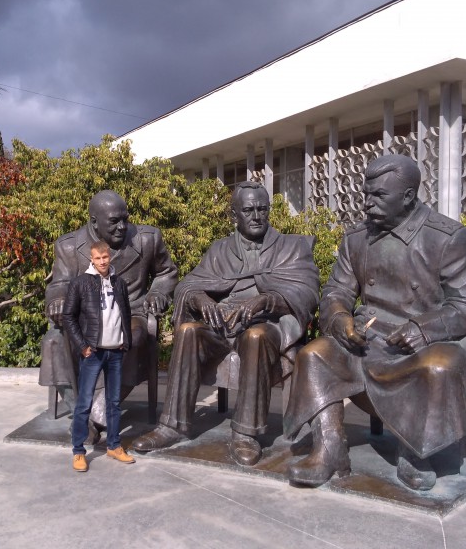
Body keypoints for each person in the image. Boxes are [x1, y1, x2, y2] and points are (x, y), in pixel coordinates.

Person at [284, 154, 466, 491]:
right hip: (369, 336)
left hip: (429, 340)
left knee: (438, 367)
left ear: (408, 196)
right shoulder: (356, 238)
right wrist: (340, 318)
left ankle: (415, 451)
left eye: (379, 195)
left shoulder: (447, 237)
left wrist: (423, 328)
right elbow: (336, 291)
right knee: (314, 354)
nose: (367, 204)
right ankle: (330, 447)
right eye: (366, 194)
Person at [132, 181, 319, 466]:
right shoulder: (219, 249)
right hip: (221, 325)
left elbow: (307, 291)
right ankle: (172, 426)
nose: (256, 216)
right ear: (234, 215)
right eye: (248, 210)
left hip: (265, 325)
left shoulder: (291, 247)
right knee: (188, 331)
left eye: (262, 209)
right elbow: (188, 285)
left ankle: (245, 433)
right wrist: (201, 300)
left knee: (256, 336)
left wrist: (265, 301)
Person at [39, 190, 178, 439]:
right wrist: (58, 300)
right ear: (94, 222)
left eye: (125, 219)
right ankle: (83, 412)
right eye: (114, 221)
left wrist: (157, 293)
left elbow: (166, 272)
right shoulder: (68, 245)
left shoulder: (147, 239)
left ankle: (92, 416)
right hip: (85, 316)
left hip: (130, 312)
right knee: (53, 341)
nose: (122, 227)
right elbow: (60, 283)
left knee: (133, 338)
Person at [62, 240, 136, 472]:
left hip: (116, 351)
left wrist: (126, 341)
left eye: (105, 257)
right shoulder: (80, 283)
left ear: (109, 257)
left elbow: (126, 313)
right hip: (93, 352)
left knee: (113, 403)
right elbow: (68, 316)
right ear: (91, 259)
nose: (102, 262)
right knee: (84, 403)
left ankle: (114, 445)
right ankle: (78, 451)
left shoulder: (119, 283)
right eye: (98, 258)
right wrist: (83, 346)